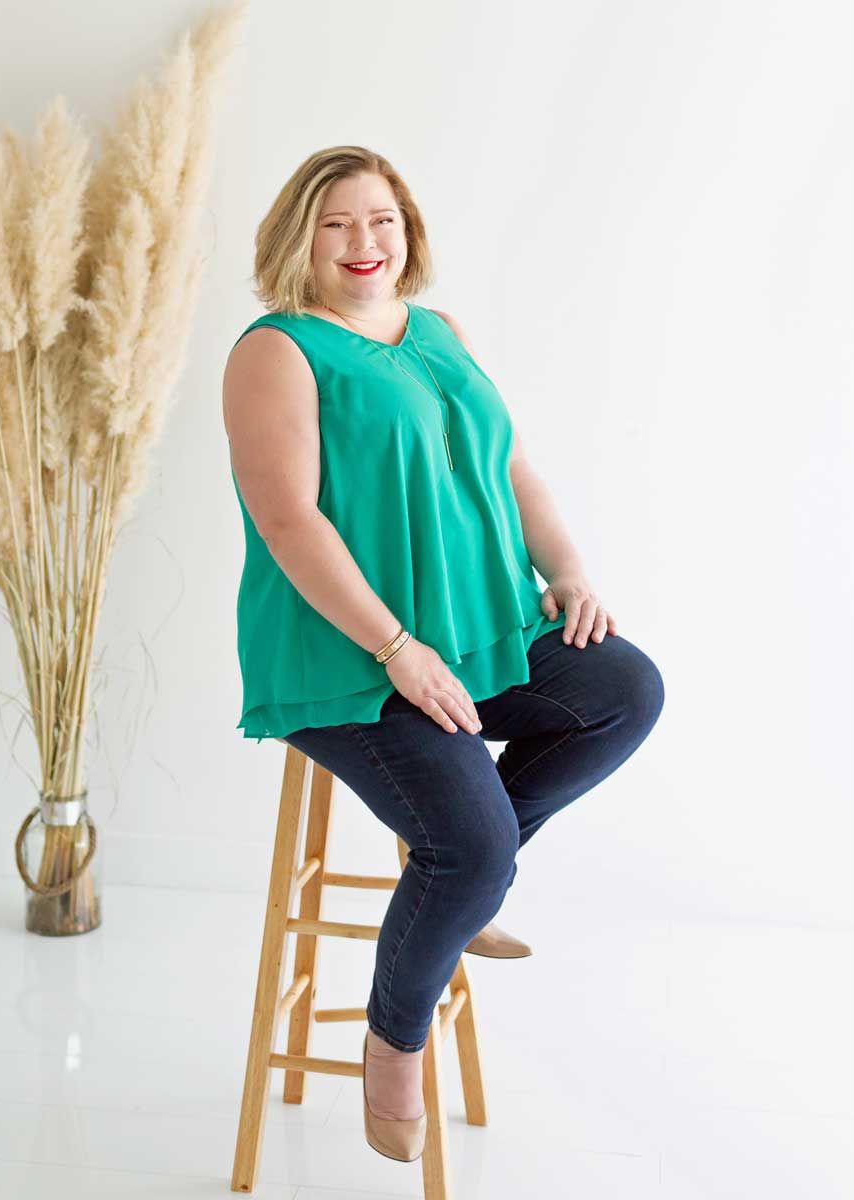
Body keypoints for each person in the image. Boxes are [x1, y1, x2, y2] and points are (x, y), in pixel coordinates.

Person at [223, 146, 664, 1162]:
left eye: (381, 220)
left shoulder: (441, 333)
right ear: (301, 236)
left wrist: (569, 573)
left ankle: (468, 893)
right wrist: (396, 650)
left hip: (482, 631)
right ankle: (395, 1037)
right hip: (351, 659)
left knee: (622, 689)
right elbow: (288, 522)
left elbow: (510, 469)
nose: (363, 243)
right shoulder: (277, 350)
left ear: (408, 228)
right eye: (337, 224)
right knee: (468, 845)